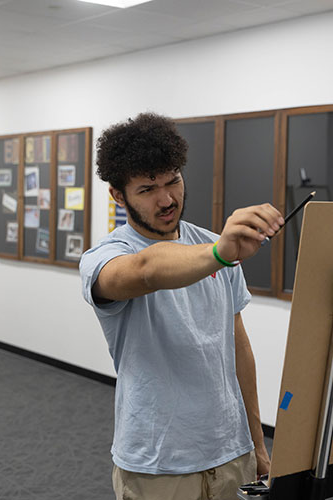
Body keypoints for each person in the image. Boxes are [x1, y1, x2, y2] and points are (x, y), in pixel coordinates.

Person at [79, 112, 284, 500]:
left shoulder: (213, 247)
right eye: (147, 189)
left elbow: (238, 348)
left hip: (230, 451)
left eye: (173, 180)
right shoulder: (104, 257)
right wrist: (220, 253)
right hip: (157, 464)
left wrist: (257, 444)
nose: (167, 198)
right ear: (118, 195)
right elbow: (146, 270)